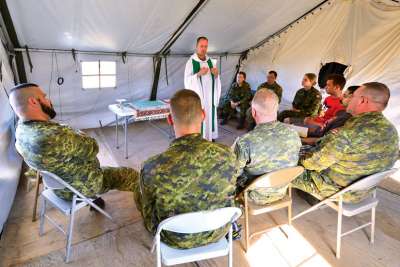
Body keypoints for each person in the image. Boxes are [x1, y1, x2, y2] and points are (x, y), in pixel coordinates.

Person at [10, 83, 139, 204]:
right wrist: (76, 133)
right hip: (80, 188)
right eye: (44, 97)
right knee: (131, 175)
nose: (48, 100)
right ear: (33, 101)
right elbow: (93, 148)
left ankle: (93, 200)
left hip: (57, 187)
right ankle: (150, 205)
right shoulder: (55, 136)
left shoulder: (21, 131)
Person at [139, 89, 237, 249]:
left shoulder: (152, 166)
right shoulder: (228, 155)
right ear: (204, 115)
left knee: (140, 190)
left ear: (170, 119)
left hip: (173, 237)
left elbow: (148, 208)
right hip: (218, 231)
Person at [293, 82, 399, 203]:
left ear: (362, 101)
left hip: (337, 190)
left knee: (280, 162)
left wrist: (295, 153)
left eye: (353, 96)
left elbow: (312, 164)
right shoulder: (391, 130)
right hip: (363, 191)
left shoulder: (352, 131)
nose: (346, 98)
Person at [233, 89, 301, 205]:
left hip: (253, 195)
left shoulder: (245, 142)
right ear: (277, 109)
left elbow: (233, 174)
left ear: (253, 112)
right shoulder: (293, 133)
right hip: (282, 190)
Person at [184, 36, 221, 141]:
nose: (204, 48)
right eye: (201, 46)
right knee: (200, 120)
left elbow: (216, 80)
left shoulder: (210, 62)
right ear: (196, 47)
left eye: (205, 46)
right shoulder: (191, 62)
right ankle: (200, 140)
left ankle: (210, 138)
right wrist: (198, 75)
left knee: (209, 118)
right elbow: (187, 82)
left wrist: (217, 75)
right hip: (199, 100)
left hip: (210, 99)